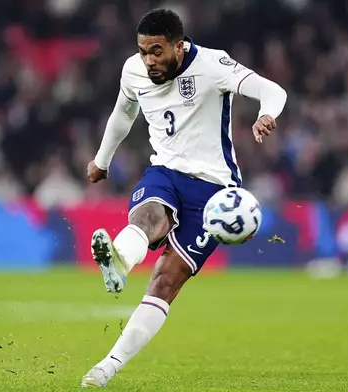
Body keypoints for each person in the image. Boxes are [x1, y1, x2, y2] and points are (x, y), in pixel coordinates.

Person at [81, 8, 287, 388]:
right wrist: (102, 160)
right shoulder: (134, 70)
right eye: (143, 51)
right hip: (165, 172)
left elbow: (272, 89)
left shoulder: (212, 65)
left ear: (179, 46)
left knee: (164, 281)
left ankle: (106, 367)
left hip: (213, 192)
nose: (149, 61)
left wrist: (267, 114)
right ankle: (119, 263)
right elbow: (123, 111)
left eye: (157, 51)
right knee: (146, 217)